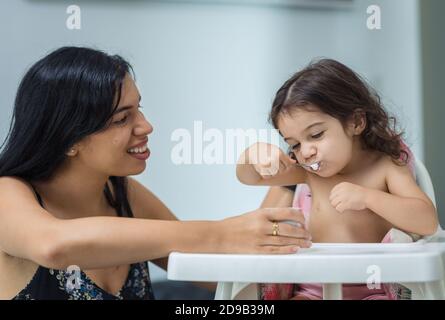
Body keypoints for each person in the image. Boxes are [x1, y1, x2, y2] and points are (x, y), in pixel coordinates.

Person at [0, 46, 312, 300]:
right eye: (123, 119)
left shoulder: (122, 193)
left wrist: (291, 182)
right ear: (69, 140)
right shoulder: (9, 192)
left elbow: (221, 283)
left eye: (139, 109)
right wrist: (221, 233)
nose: (146, 127)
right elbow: (53, 246)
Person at [236, 59, 439, 300]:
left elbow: (426, 221)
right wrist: (254, 154)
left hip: (373, 290)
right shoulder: (308, 172)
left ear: (356, 122)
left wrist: (369, 198)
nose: (306, 151)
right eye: (295, 144)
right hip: (313, 291)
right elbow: (249, 178)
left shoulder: (385, 166)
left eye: (316, 135)